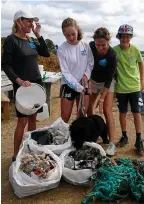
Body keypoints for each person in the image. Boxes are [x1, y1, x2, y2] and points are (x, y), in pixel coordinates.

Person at [2, 10, 50, 161]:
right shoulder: (11, 40)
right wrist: (18, 81)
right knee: (22, 121)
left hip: (36, 84)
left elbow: (46, 53)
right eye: (28, 21)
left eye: (32, 21)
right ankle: (16, 154)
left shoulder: (31, 40)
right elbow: (6, 65)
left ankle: (31, 149)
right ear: (18, 22)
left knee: (33, 118)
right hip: (22, 86)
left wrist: (37, 34)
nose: (32, 24)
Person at [113, 24, 144, 156]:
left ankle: (138, 139)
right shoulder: (114, 51)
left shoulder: (136, 50)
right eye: (122, 36)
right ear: (119, 37)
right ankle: (124, 136)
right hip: (120, 88)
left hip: (135, 87)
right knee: (123, 112)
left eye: (127, 36)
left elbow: (141, 64)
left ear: (130, 37)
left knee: (137, 113)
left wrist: (142, 81)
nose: (124, 39)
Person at [87, 27, 117, 156]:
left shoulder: (112, 55)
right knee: (89, 108)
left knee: (107, 110)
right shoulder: (91, 46)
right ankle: (92, 135)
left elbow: (110, 79)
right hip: (93, 80)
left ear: (108, 41)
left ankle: (112, 143)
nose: (100, 47)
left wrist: (102, 98)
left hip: (107, 83)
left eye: (103, 45)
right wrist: (88, 82)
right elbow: (86, 64)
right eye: (98, 44)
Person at [57, 17, 94, 123]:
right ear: (64, 34)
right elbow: (65, 72)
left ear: (77, 30)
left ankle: (79, 139)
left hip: (84, 83)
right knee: (65, 117)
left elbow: (90, 63)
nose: (71, 37)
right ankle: (63, 138)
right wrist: (78, 87)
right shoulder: (62, 49)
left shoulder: (85, 46)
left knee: (82, 116)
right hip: (68, 85)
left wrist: (86, 75)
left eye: (73, 34)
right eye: (67, 35)